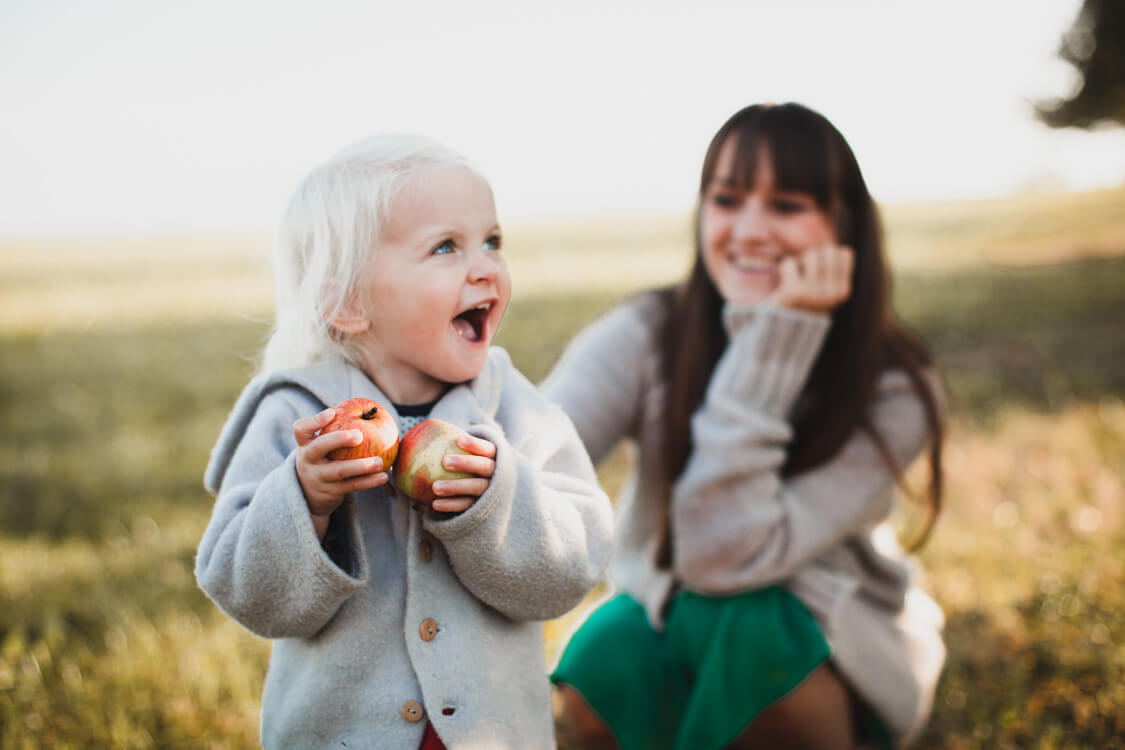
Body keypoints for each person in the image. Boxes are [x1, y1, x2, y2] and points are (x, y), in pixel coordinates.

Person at [544, 103, 946, 750]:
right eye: (726, 200)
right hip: (665, 621)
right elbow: (531, 451)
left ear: (843, 225)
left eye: (786, 205)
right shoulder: (648, 332)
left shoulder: (894, 386)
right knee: (604, 650)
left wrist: (774, 342)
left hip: (822, 642)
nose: (749, 230)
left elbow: (719, 558)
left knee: (751, 625)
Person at [195, 135, 614, 749]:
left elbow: (571, 570)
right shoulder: (295, 417)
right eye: (446, 246)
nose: (485, 267)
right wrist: (305, 500)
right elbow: (248, 592)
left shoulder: (514, 409)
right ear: (347, 303)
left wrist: (496, 499)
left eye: (492, 241)